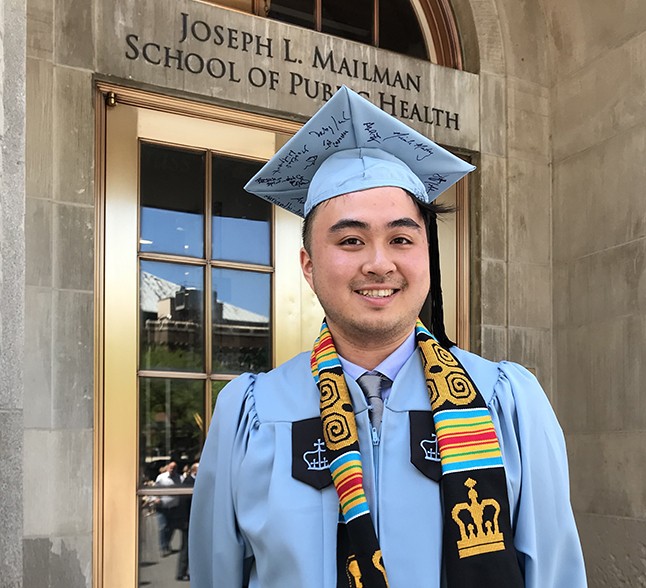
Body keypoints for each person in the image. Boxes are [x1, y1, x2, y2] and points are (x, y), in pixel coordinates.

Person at [190, 86, 587, 587]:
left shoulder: (507, 403)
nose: (379, 263)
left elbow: (555, 577)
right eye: (351, 240)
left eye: (401, 238)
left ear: (425, 257)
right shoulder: (250, 413)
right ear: (309, 267)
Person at [176, 462, 198, 581]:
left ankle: (185, 570)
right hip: (187, 521)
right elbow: (185, 504)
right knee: (186, 548)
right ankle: (181, 571)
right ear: (195, 471)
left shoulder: (191, 481)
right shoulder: (189, 482)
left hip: (189, 521)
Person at [154, 460, 181, 557]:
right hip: (162, 507)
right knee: (163, 526)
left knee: (171, 527)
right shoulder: (161, 478)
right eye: (171, 467)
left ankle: (167, 543)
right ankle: (162, 547)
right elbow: (155, 490)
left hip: (174, 507)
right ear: (167, 467)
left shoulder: (179, 478)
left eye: (174, 468)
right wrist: (156, 498)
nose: (172, 470)